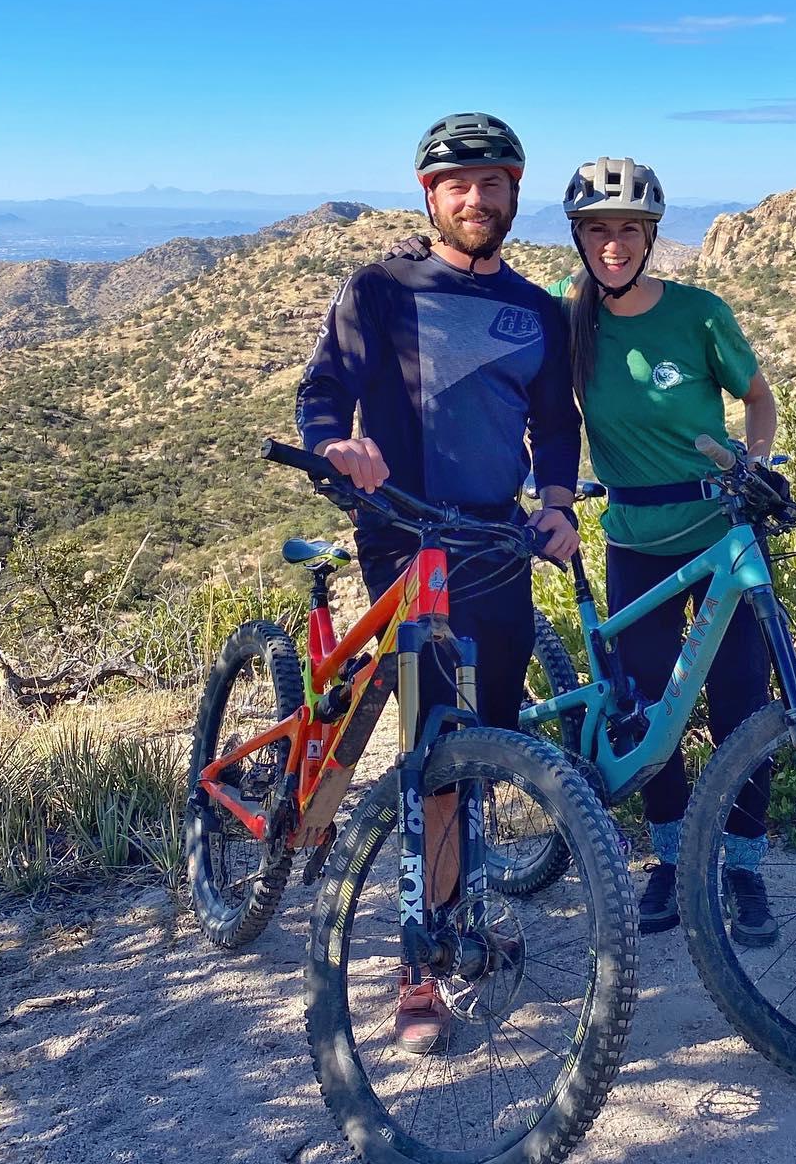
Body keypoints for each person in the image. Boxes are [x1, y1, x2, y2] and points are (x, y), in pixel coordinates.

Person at [295, 111, 581, 1052]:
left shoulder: (538, 311)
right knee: (433, 755)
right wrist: (338, 444)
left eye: (492, 183)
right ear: (431, 196)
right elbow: (325, 389)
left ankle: (464, 912)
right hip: (406, 541)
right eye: (457, 185)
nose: (476, 198)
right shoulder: (381, 287)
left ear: (513, 193)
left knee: (486, 748)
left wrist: (556, 501)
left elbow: (556, 421)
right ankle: (419, 965)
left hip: (497, 542)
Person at [551, 158, 780, 945]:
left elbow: (758, 399)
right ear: (579, 238)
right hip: (635, 543)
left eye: (628, 230)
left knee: (741, 708)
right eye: (598, 229)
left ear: (650, 238)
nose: (613, 244)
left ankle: (744, 868)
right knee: (649, 715)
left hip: (720, 534)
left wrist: (755, 465)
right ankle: (671, 863)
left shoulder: (698, 313)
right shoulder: (569, 321)